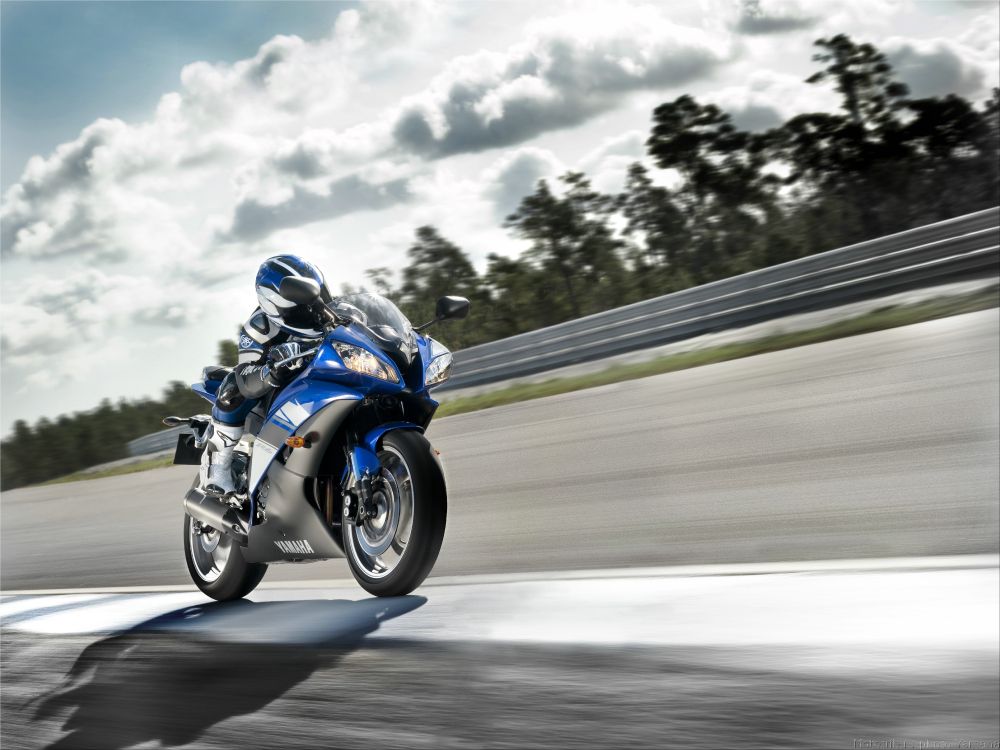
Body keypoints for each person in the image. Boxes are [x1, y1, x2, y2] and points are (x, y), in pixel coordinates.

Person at [199, 255, 332, 496]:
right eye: (301, 304)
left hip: (322, 388)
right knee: (233, 386)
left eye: (317, 296)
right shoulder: (259, 327)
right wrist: (271, 370)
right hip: (274, 399)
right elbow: (247, 376)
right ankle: (217, 467)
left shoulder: (335, 314)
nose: (313, 308)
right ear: (274, 303)